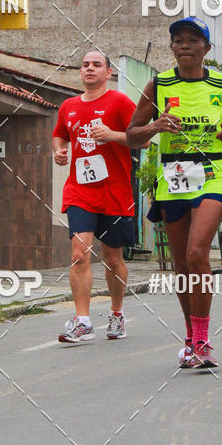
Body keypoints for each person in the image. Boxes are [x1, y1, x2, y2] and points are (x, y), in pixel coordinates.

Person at [126, 16, 222, 369]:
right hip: (173, 175)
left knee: (198, 253)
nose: (184, 45)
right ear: (172, 47)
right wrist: (155, 125)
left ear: (206, 49)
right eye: (178, 40)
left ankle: (204, 340)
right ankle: (190, 336)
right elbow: (132, 134)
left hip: (212, 171)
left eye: (192, 40)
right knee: (182, 263)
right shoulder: (158, 85)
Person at [52, 50, 142, 344]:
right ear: (80, 72)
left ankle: (117, 314)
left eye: (96, 65)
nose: (90, 69)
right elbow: (60, 133)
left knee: (113, 259)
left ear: (107, 73)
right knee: (79, 254)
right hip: (80, 190)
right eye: (85, 65)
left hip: (115, 192)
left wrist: (112, 135)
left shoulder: (120, 102)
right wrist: (59, 150)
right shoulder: (68, 106)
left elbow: (140, 137)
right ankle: (83, 321)